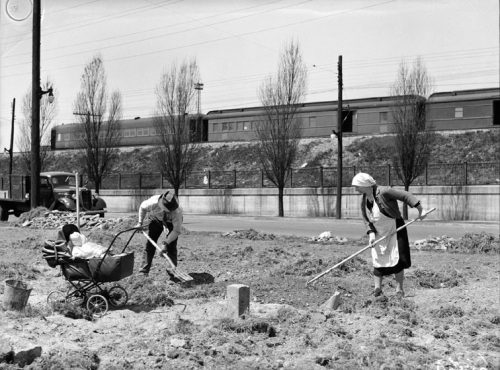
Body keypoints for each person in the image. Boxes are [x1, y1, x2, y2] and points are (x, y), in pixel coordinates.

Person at [351, 172, 429, 298]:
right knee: (378, 259)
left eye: (357, 186)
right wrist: (371, 233)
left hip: (395, 229)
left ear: (366, 185)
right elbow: (365, 218)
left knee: (396, 259)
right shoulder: (364, 199)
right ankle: (377, 290)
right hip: (378, 232)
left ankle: (399, 290)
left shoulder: (384, 191)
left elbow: (405, 195)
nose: (356, 189)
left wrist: (420, 209)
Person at [134, 191, 183, 279]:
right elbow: (142, 208)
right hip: (156, 219)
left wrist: (165, 243)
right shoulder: (153, 202)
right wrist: (140, 222)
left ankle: (172, 272)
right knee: (150, 245)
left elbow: (176, 231)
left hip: (171, 223)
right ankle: (143, 271)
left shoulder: (177, 212)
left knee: (171, 246)